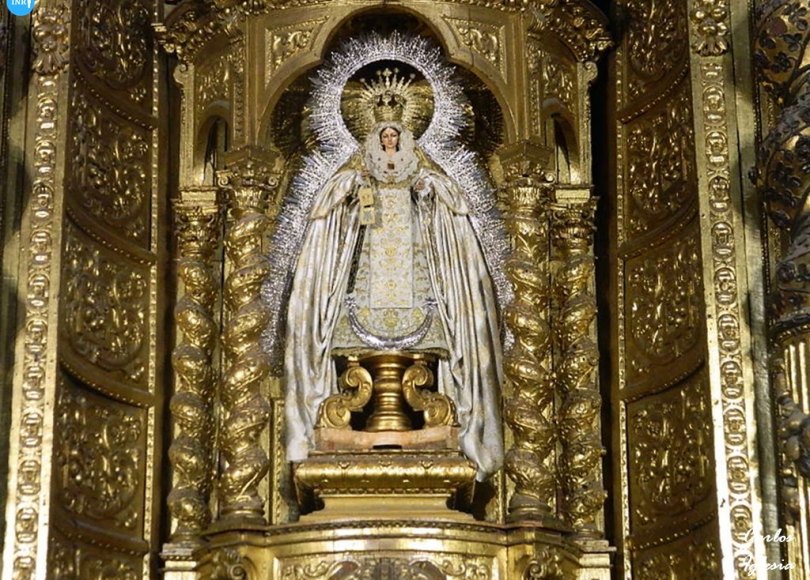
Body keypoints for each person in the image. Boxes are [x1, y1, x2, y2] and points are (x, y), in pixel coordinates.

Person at [284, 115, 504, 481]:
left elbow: (448, 201)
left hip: (412, 258)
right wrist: (354, 187)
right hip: (370, 258)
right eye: (384, 135)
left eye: (394, 135)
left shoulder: (419, 167)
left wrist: (426, 189)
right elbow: (330, 204)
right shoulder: (359, 168)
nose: (389, 141)